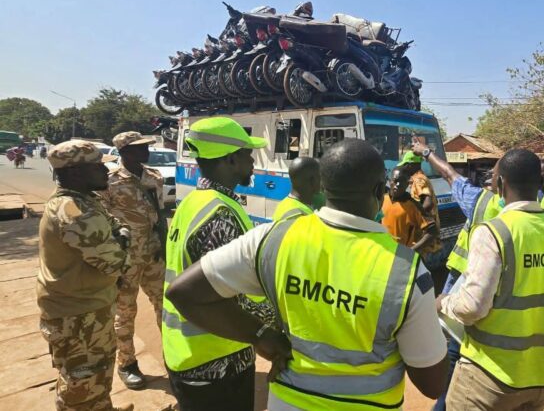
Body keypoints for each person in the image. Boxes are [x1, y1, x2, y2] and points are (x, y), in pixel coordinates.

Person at [166, 138, 449, 410]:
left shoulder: (271, 238)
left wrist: (260, 335)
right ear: (379, 192)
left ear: (323, 187)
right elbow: (432, 384)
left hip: (287, 402)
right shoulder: (407, 271)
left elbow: (183, 292)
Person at [440, 148, 544, 410]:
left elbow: (472, 308)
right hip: (541, 376)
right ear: (540, 184)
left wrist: (444, 303)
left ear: (501, 183)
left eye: (493, 177)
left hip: (491, 373)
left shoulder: (494, 232)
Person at [161, 117, 276, 411]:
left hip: (187, 351)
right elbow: (232, 295)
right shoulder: (219, 215)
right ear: (232, 159)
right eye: (249, 154)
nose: (253, 161)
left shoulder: (193, 202)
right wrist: (273, 329)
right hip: (215, 359)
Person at [37, 140, 133, 411]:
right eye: (98, 167)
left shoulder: (86, 200)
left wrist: (119, 237)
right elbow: (115, 262)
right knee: (83, 380)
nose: (106, 172)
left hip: (86, 306)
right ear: (76, 173)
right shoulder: (73, 211)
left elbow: (118, 226)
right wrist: (121, 241)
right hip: (77, 315)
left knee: (96, 373)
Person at [409, 137, 504, 411]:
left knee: (452, 352)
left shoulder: (483, 202)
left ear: (501, 183)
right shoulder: (542, 219)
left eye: (492, 176)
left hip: (464, 284)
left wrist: (426, 152)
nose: (488, 180)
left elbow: (449, 174)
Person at [97, 131, 166, 389]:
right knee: (125, 312)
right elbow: (103, 219)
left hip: (154, 255)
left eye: (145, 147)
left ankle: (173, 356)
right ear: (125, 152)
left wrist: (163, 244)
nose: (146, 151)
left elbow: (159, 216)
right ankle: (127, 364)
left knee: (165, 307)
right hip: (125, 258)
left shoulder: (154, 177)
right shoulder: (109, 180)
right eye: (139, 148)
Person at [398, 151, 443, 259]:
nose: (403, 169)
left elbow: (428, 203)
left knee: (417, 262)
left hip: (423, 231)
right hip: (425, 230)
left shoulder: (418, 180)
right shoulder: (420, 178)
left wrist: (411, 217)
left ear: (410, 165)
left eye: (405, 166)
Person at [382, 166, 438, 252]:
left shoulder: (413, 206)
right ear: (389, 181)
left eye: (402, 182)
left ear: (407, 184)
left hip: (400, 258)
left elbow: (432, 231)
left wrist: (411, 251)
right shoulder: (381, 199)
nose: (398, 185)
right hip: (382, 252)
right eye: (395, 181)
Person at [272, 156, 323, 221]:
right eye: (320, 177)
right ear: (312, 180)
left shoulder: (285, 204)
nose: (322, 181)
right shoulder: (299, 216)